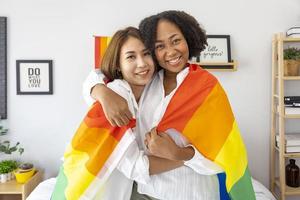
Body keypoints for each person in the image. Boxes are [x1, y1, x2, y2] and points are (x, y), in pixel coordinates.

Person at [83, 10, 255, 200]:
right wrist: (102, 92)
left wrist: (177, 154)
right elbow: (97, 76)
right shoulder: (146, 81)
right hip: (146, 194)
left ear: (188, 38)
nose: (171, 51)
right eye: (159, 46)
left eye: (175, 41)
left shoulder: (208, 87)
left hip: (194, 194)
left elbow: (223, 157)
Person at [52, 27, 184, 200]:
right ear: (118, 66)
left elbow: (95, 77)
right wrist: (185, 158)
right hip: (84, 188)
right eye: (131, 57)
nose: (142, 63)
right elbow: (137, 167)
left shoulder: (150, 92)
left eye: (146, 54)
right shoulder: (118, 96)